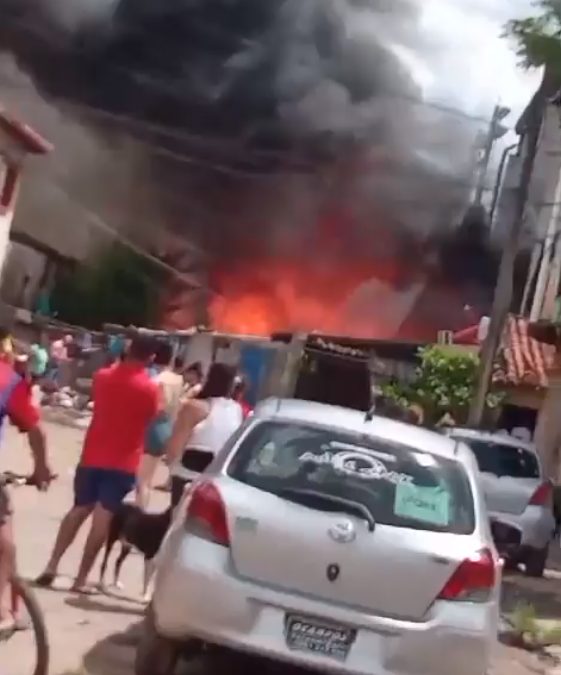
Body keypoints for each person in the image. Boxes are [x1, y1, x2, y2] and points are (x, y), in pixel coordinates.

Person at [36, 336, 159, 594]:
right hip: (123, 460)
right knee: (103, 519)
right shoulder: (148, 388)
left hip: (92, 454)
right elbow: (150, 417)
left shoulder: (102, 377)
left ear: (128, 349)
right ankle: (80, 579)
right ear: (151, 358)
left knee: (78, 509)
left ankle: (51, 565)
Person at [0, 356, 52, 632]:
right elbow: (36, 430)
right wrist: (41, 470)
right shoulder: (7, 379)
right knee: (5, 542)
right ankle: (1, 609)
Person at [167, 362, 243, 508]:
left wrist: (171, 471)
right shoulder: (236, 410)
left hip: (188, 476)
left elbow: (174, 447)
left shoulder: (195, 407)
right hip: (216, 482)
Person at [137, 342, 184, 509]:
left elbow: (157, 407)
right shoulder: (177, 379)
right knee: (147, 479)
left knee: (142, 482)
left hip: (152, 429)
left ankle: (138, 516)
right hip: (167, 429)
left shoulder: (155, 379)